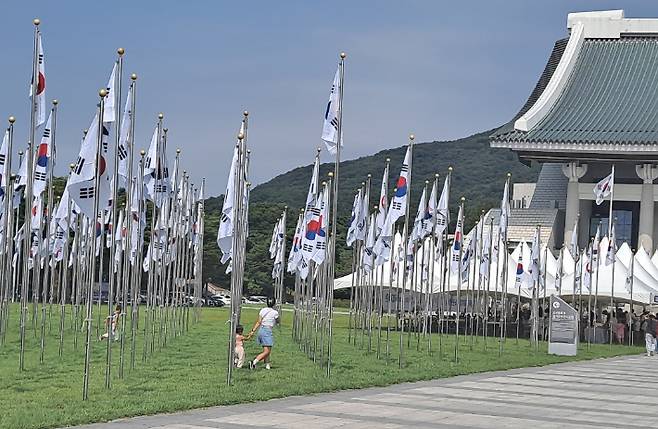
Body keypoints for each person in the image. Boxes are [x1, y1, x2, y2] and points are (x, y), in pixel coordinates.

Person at [248, 298, 279, 370]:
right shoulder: (275, 312)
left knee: (267, 349)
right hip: (267, 331)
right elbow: (278, 321)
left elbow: (259, 322)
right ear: (274, 304)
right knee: (267, 351)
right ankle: (254, 362)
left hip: (261, 330)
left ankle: (267, 365)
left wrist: (253, 331)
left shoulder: (262, 310)